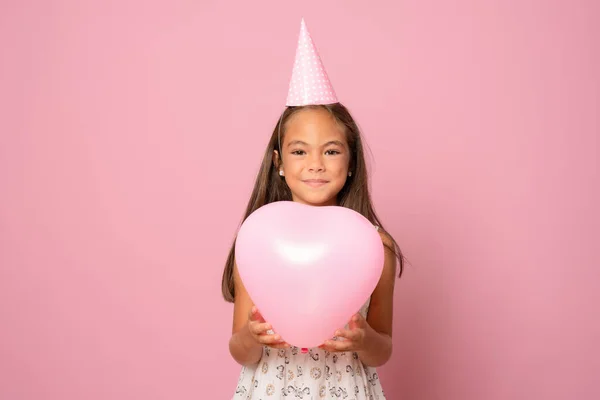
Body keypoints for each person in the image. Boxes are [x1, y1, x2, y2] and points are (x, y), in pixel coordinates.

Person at [221, 18, 404, 399]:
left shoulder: (375, 245)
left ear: (350, 161)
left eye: (332, 151)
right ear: (279, 162)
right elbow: (238, 349)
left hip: (343, 389)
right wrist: (252, 337)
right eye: (299, 151)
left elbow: (381, 349)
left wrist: (363, 338)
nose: (315, 163)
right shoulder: (258, 241)